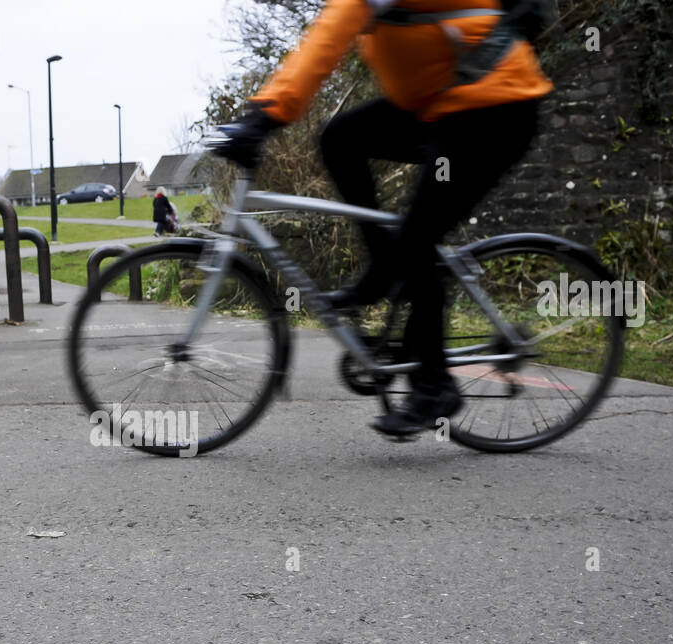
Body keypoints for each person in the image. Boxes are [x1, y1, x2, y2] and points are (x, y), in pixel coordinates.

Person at [214, 0, 552, 437]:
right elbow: (327, 34)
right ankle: (382, 274)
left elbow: (326, 41)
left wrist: (264, 117)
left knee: (416, 240)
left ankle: (434, 388)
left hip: (496, 111)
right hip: (443, 105)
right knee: (341, 139)